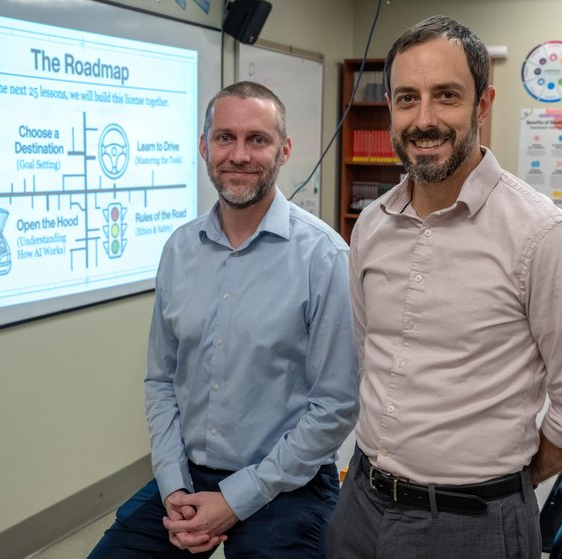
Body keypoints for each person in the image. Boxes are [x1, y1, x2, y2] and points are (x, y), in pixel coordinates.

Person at [327, 16, 562, 559]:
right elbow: (370, 353)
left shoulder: (543, 238)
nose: (424, 119)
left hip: (472, 525)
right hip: (360, 506)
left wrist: (504, 483)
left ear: (482, 105)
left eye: (447, 96)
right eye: (407, 98)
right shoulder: (370, 226)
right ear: (390, 107)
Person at [88, 81, 359, 558]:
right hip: (188, 474)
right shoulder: (179, 249)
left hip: (287, 481)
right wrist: (172, 485)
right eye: (224, 138)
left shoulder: (325, 257)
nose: (239, 155)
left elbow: (335, 406)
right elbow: (159, 379)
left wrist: (235, 500)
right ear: (203, 146)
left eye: (257, 139)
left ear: (284, 149)